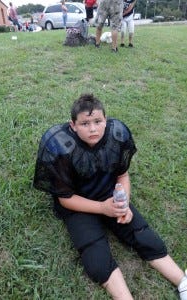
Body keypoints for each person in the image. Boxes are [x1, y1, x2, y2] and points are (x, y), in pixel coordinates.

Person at [33, 93, 187, 299]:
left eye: (98, 121)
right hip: (77, 204)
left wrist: (123, 203)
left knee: (144, 235)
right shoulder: (60, 146)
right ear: (73, 125)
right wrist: (102, 209)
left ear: (106, 120)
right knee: (96, 259)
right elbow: (65, 198)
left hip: (108, 192)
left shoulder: (117, 135)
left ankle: (183, 282)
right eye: (85, 123)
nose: (93, 128)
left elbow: (122, 175)